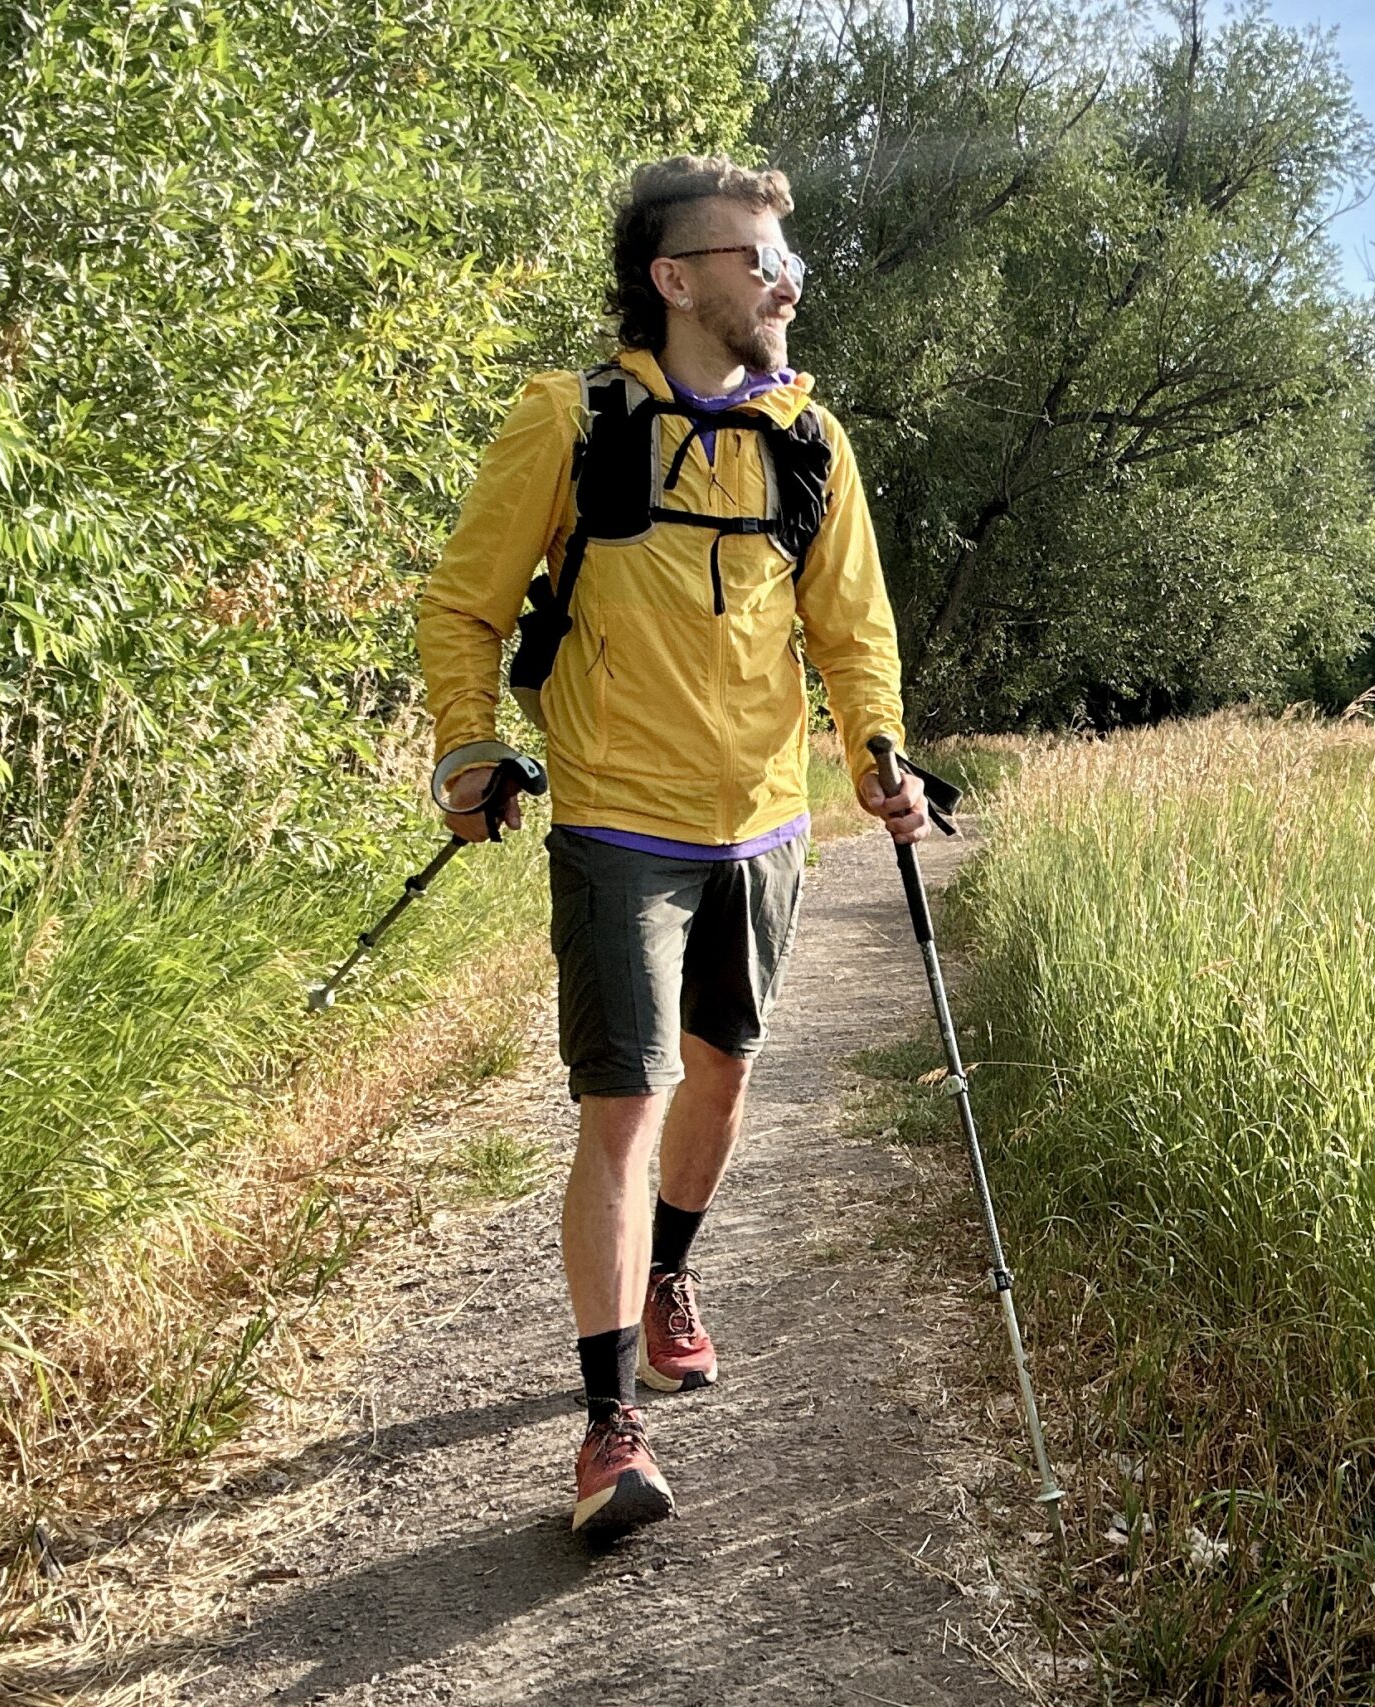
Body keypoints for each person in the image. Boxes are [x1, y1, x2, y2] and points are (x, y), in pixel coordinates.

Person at [415, 155, 928, 1538]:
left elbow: (852, 628)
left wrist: (877, 749)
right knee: (625, 1104)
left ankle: (671, 1279)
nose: (785, 284)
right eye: (760, 261)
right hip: (615, 819)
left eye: (789, 264)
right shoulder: (569, 421)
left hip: (763, 825)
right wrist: (468, 744)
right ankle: (606, 1431)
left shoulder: (811, 439)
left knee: (722, 1078)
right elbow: (465, 605)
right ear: (676, 275)